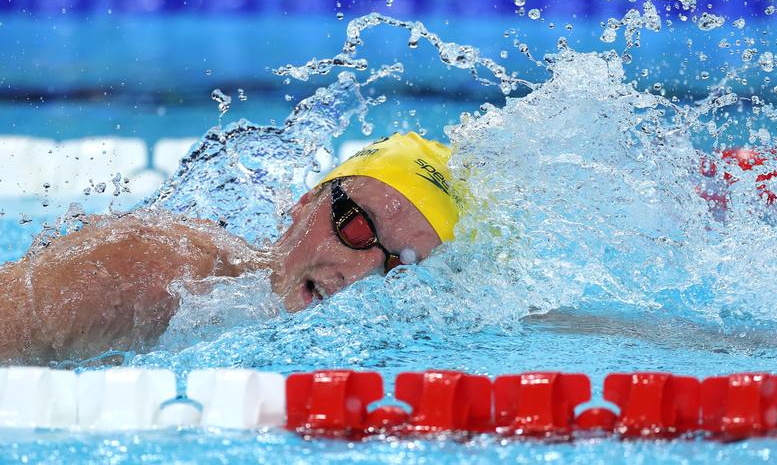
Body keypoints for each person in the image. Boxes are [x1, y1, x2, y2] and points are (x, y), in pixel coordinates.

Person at [0, 133, 461, 363]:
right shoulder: (151, 272)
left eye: (398, 267)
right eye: (357, 230)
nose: (358, 276)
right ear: (307, 202)